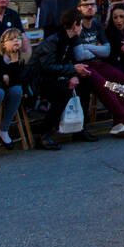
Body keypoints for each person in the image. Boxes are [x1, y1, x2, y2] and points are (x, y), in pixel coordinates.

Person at [72, 0, 124, 138]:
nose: (90, 8)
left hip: (99, 63)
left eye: (92, 4)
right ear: (79, 8)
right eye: (86, 5)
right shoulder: (76, 25)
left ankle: (118, 124)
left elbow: (106, 51)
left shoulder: (97, 25)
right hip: (83, 67)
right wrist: (96, 48)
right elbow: (79, 55)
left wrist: (87, 47)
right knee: (105, 85)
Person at [26, 8, 88, 150]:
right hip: (36, 80)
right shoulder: (54, 41)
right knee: (62, 92)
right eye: (80, 24)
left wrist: (73, 75)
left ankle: (80, 128)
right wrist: (73, 70)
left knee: (85, 84)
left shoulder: (69, 39)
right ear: (74, 25)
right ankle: (44, 134)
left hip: (52, 76)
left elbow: (69, 61)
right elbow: (48, 67)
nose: (81, 28)